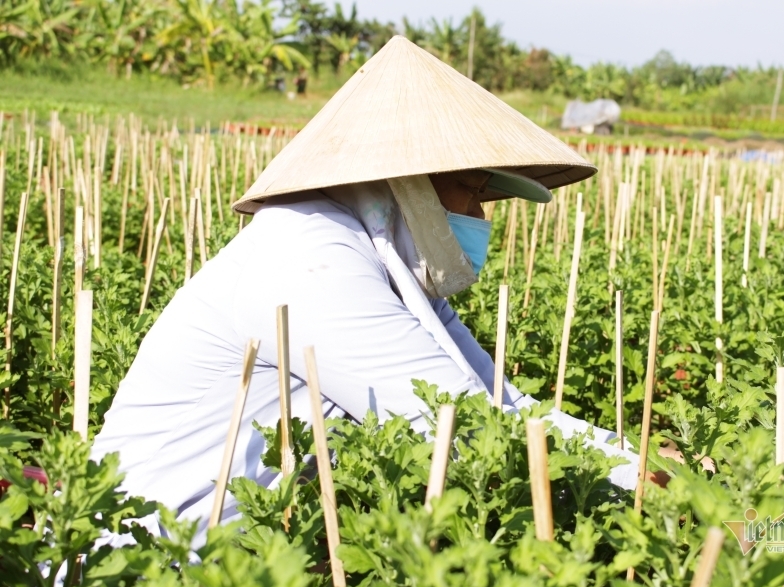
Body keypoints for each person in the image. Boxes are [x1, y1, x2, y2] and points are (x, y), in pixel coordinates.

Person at [90, 36, 642, 546]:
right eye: (471, 192)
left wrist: (644, 465)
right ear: (408, 181)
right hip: (150, 559)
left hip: (234, 559)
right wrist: (653, 485)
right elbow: (462, 426)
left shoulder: (390, 270)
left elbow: (504, 404)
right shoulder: (310, 258)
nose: (479, 217)